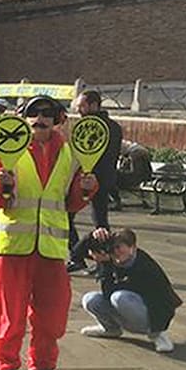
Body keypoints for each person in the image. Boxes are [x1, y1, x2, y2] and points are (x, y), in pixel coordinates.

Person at [0, 96, 97, 370]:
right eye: (33, 112)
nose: (40, 118)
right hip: (14, 247)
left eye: (47, 113)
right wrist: (1, 188)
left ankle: (43, 369)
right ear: (24, 117)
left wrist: (86, 191)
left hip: (52, 248)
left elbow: (72, 202)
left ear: (58, 118)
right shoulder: (10, 150)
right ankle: (7, 369)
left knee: (52, 316)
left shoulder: (71, 156)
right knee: (11, 314)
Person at [80, 228, 181, 353]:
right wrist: (92, 236)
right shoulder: (110, 261)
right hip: (128, 309)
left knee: (120, 297)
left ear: (132, 247)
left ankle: (157, 335)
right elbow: (78, 252)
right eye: (112, 248)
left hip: (154, 313)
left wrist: (159, 327)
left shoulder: (143, 264)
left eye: (119, 247)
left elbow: (163, 301)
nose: (116, 252)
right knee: (90, 299)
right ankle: (110, 329)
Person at [67, 90, 122, 273]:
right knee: (100, 221)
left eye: (82, 105)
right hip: (105, 178)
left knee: (69, 216)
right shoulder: (114, 127)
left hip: (90, 178)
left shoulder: (91, 127)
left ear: (93, 105)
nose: (78, 110)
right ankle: (100, 261)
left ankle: (79, 256)